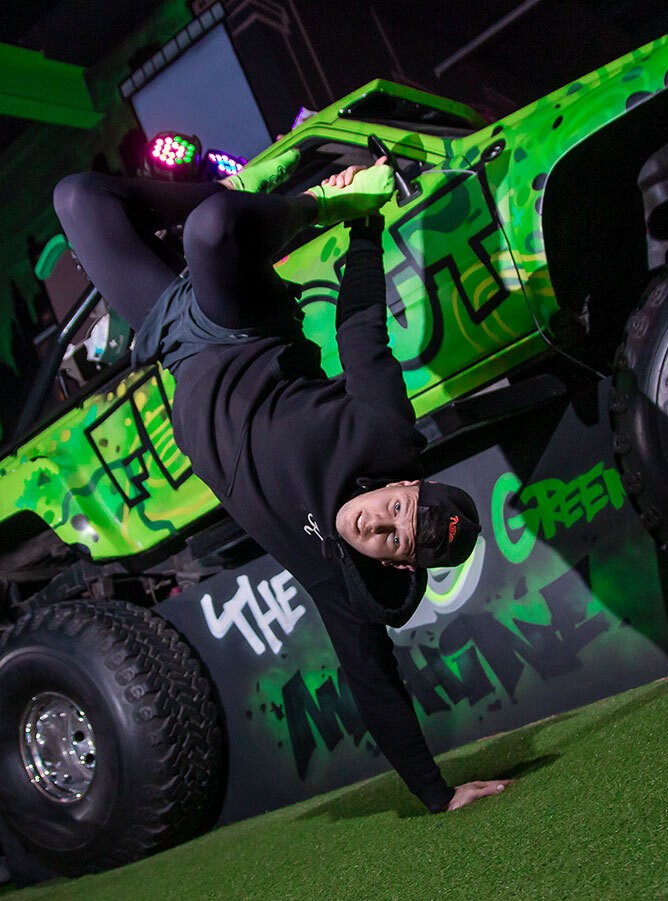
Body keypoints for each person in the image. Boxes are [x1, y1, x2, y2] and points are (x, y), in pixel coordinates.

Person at [53, 150, 510, 813]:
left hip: (174, 345)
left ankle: (231, 192)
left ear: (401, 559)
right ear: (405, 484)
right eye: (392, 508)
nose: (372, 522)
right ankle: (309, 201)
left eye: (387, 539)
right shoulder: (385, 437)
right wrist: (361, 223)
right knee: (210, 231)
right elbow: (361, 331)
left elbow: (376, 681)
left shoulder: (341, 581)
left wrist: (435, 793)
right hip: (243, 321)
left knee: (77, 195)